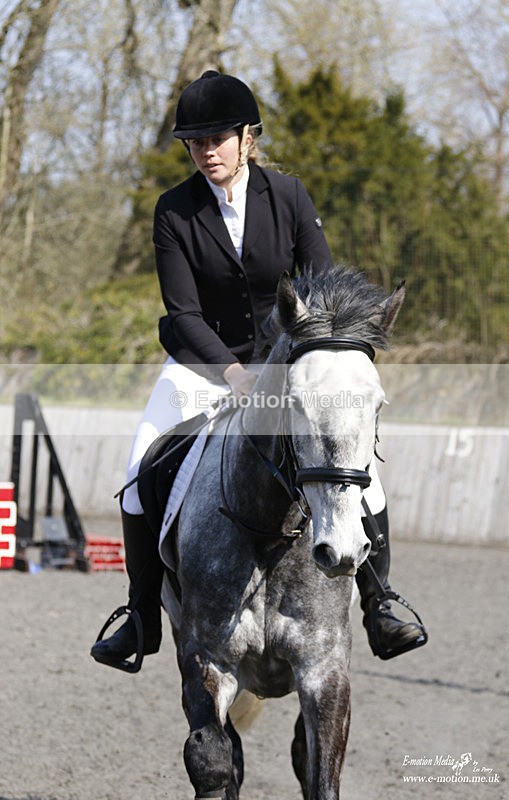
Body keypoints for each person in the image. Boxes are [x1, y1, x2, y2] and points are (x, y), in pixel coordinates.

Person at [90, 70, 425, 670]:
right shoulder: (174, 210)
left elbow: (322, 288)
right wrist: (232, 374)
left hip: (285, 361)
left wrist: (313, 360)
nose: (206, 151)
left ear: (248, 138)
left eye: (217, 138)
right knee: (140, 466)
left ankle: (379, 601)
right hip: (202, 364)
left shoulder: (289, 196)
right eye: (196, 142)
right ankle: (140, 616)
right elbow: (183, 313)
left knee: (360, 468)